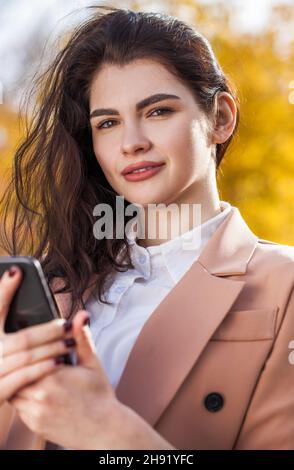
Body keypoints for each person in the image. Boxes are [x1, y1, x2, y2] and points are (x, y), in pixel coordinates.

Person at [0, 6, 294, 450]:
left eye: (157, 111)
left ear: (220, 118)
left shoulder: (284, 285)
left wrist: (106, 432)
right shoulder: (54, 286)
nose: (131, 142)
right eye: (108, 122)